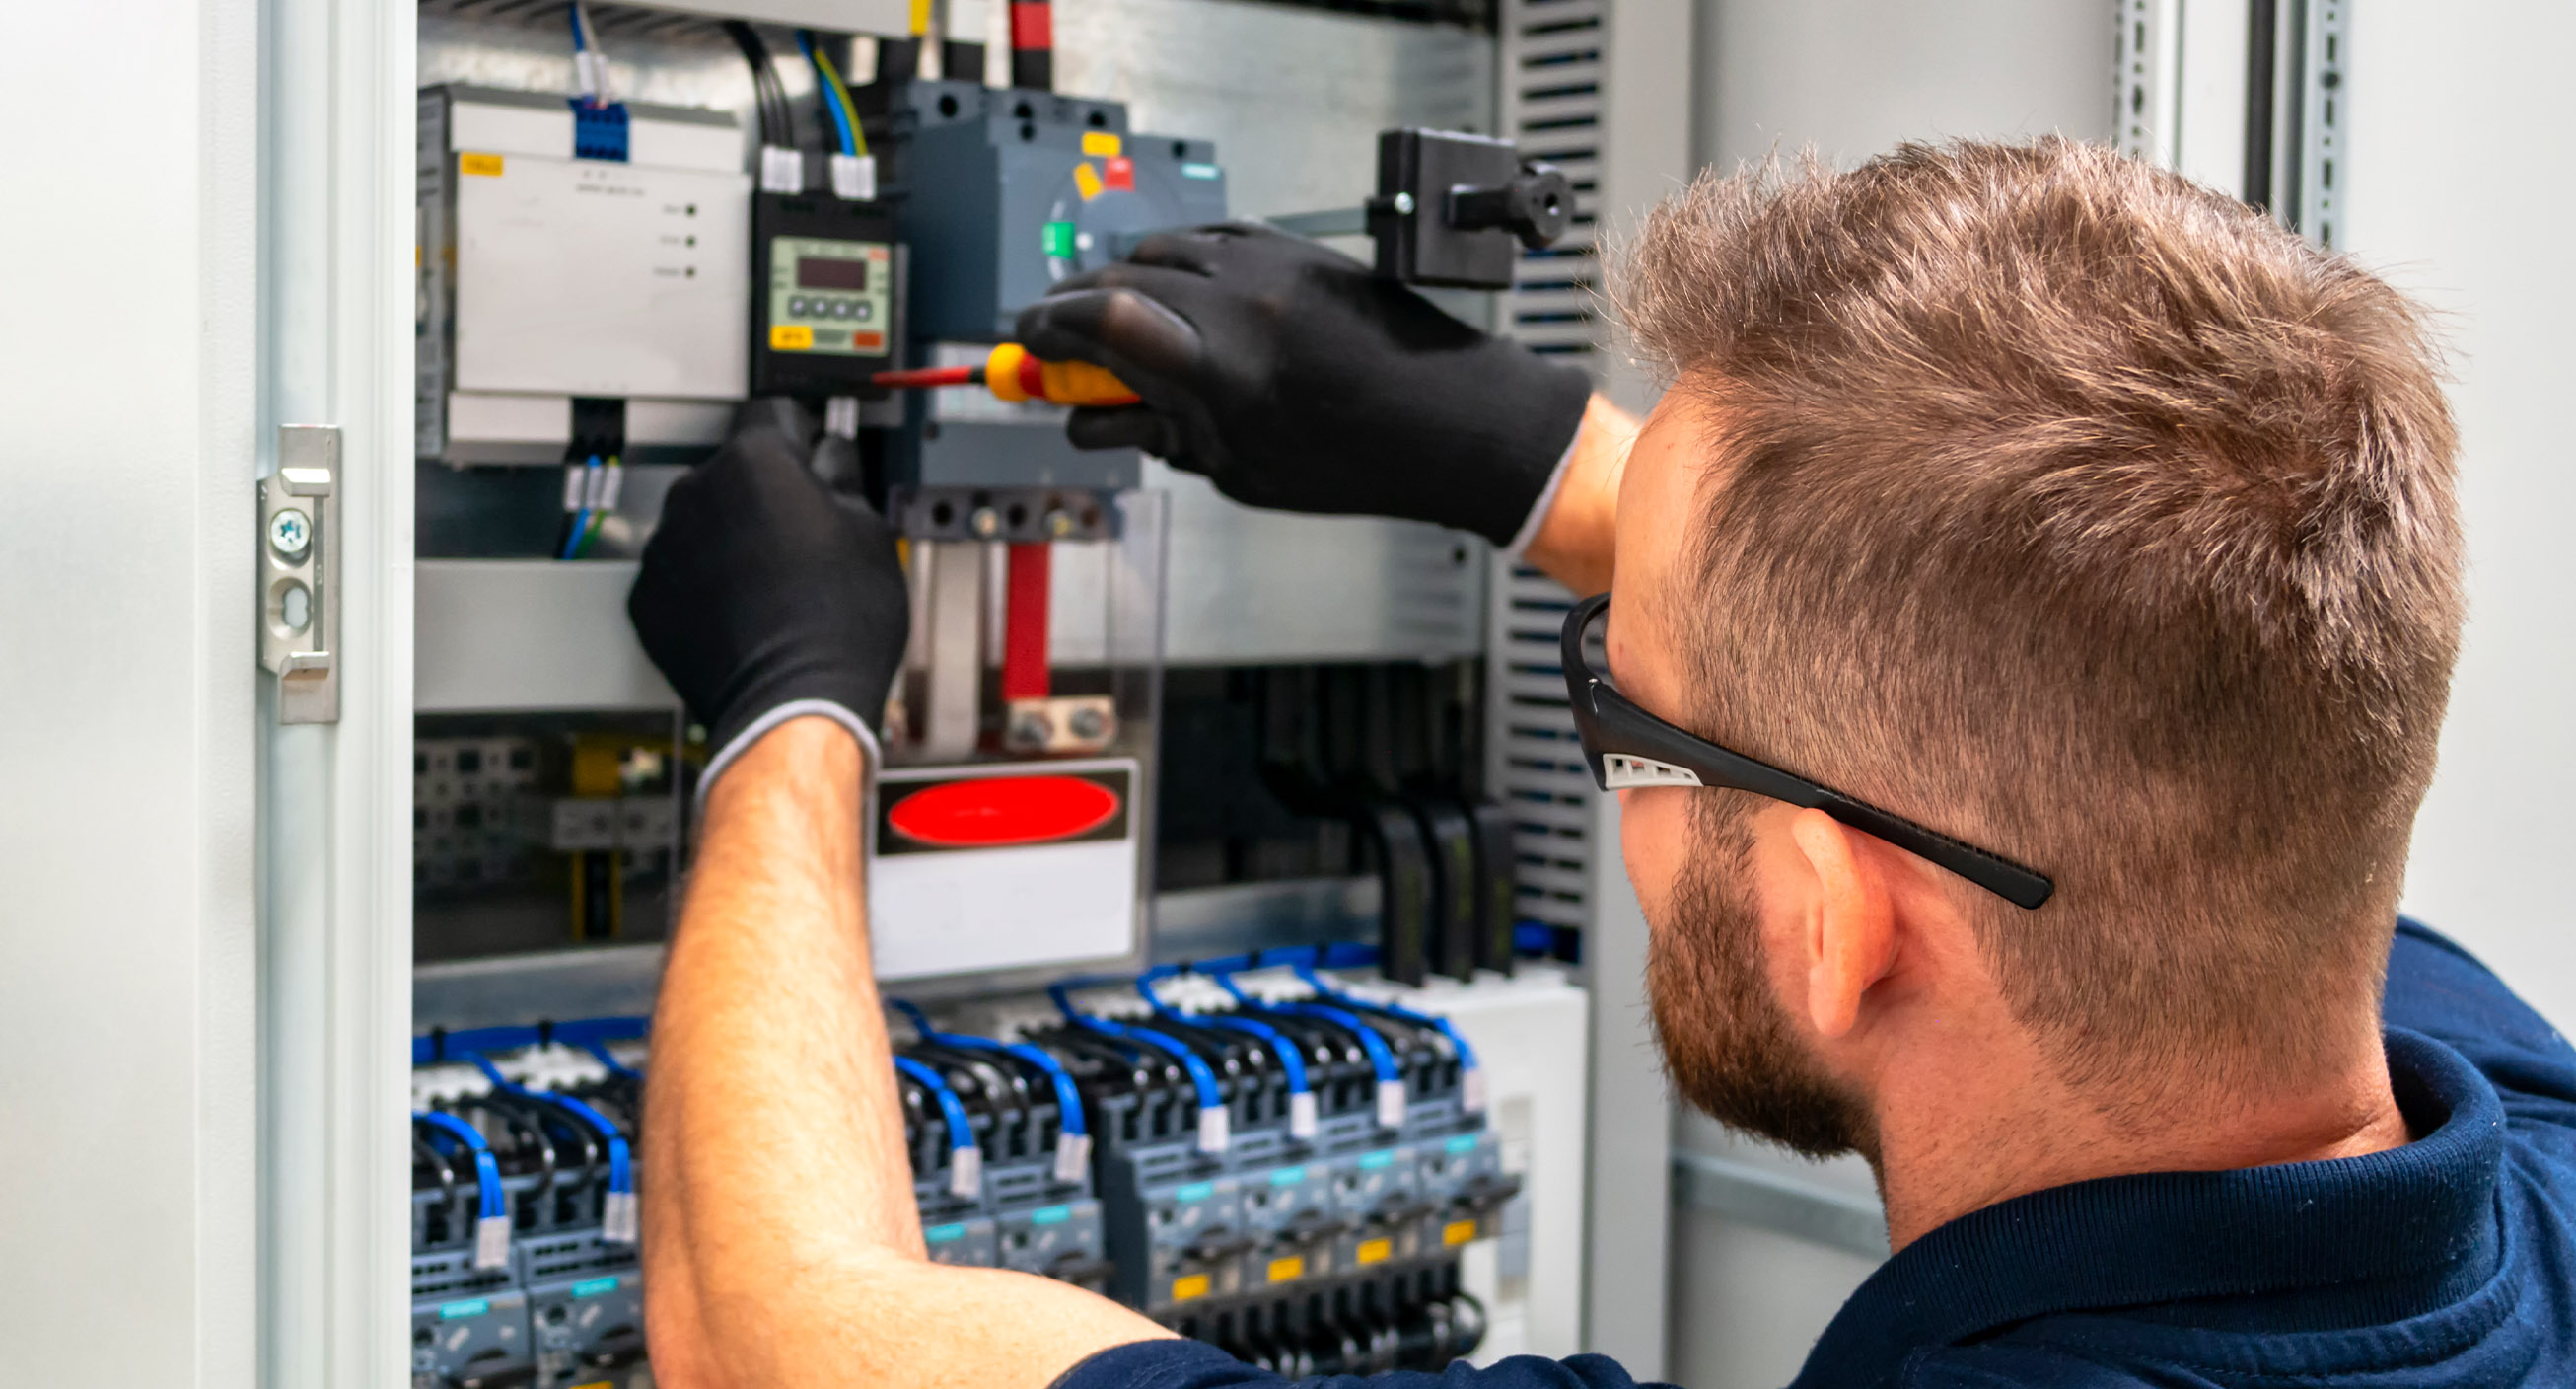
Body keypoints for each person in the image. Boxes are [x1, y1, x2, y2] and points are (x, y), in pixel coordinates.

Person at [621, 138, 2576, 1389]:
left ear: (1828, 920)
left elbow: (766, 1316)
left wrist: (793, 701)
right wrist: (1539, 456)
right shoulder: (2515, 1147)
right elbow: (2134, 701)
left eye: (1618, 710)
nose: (1610, 743)